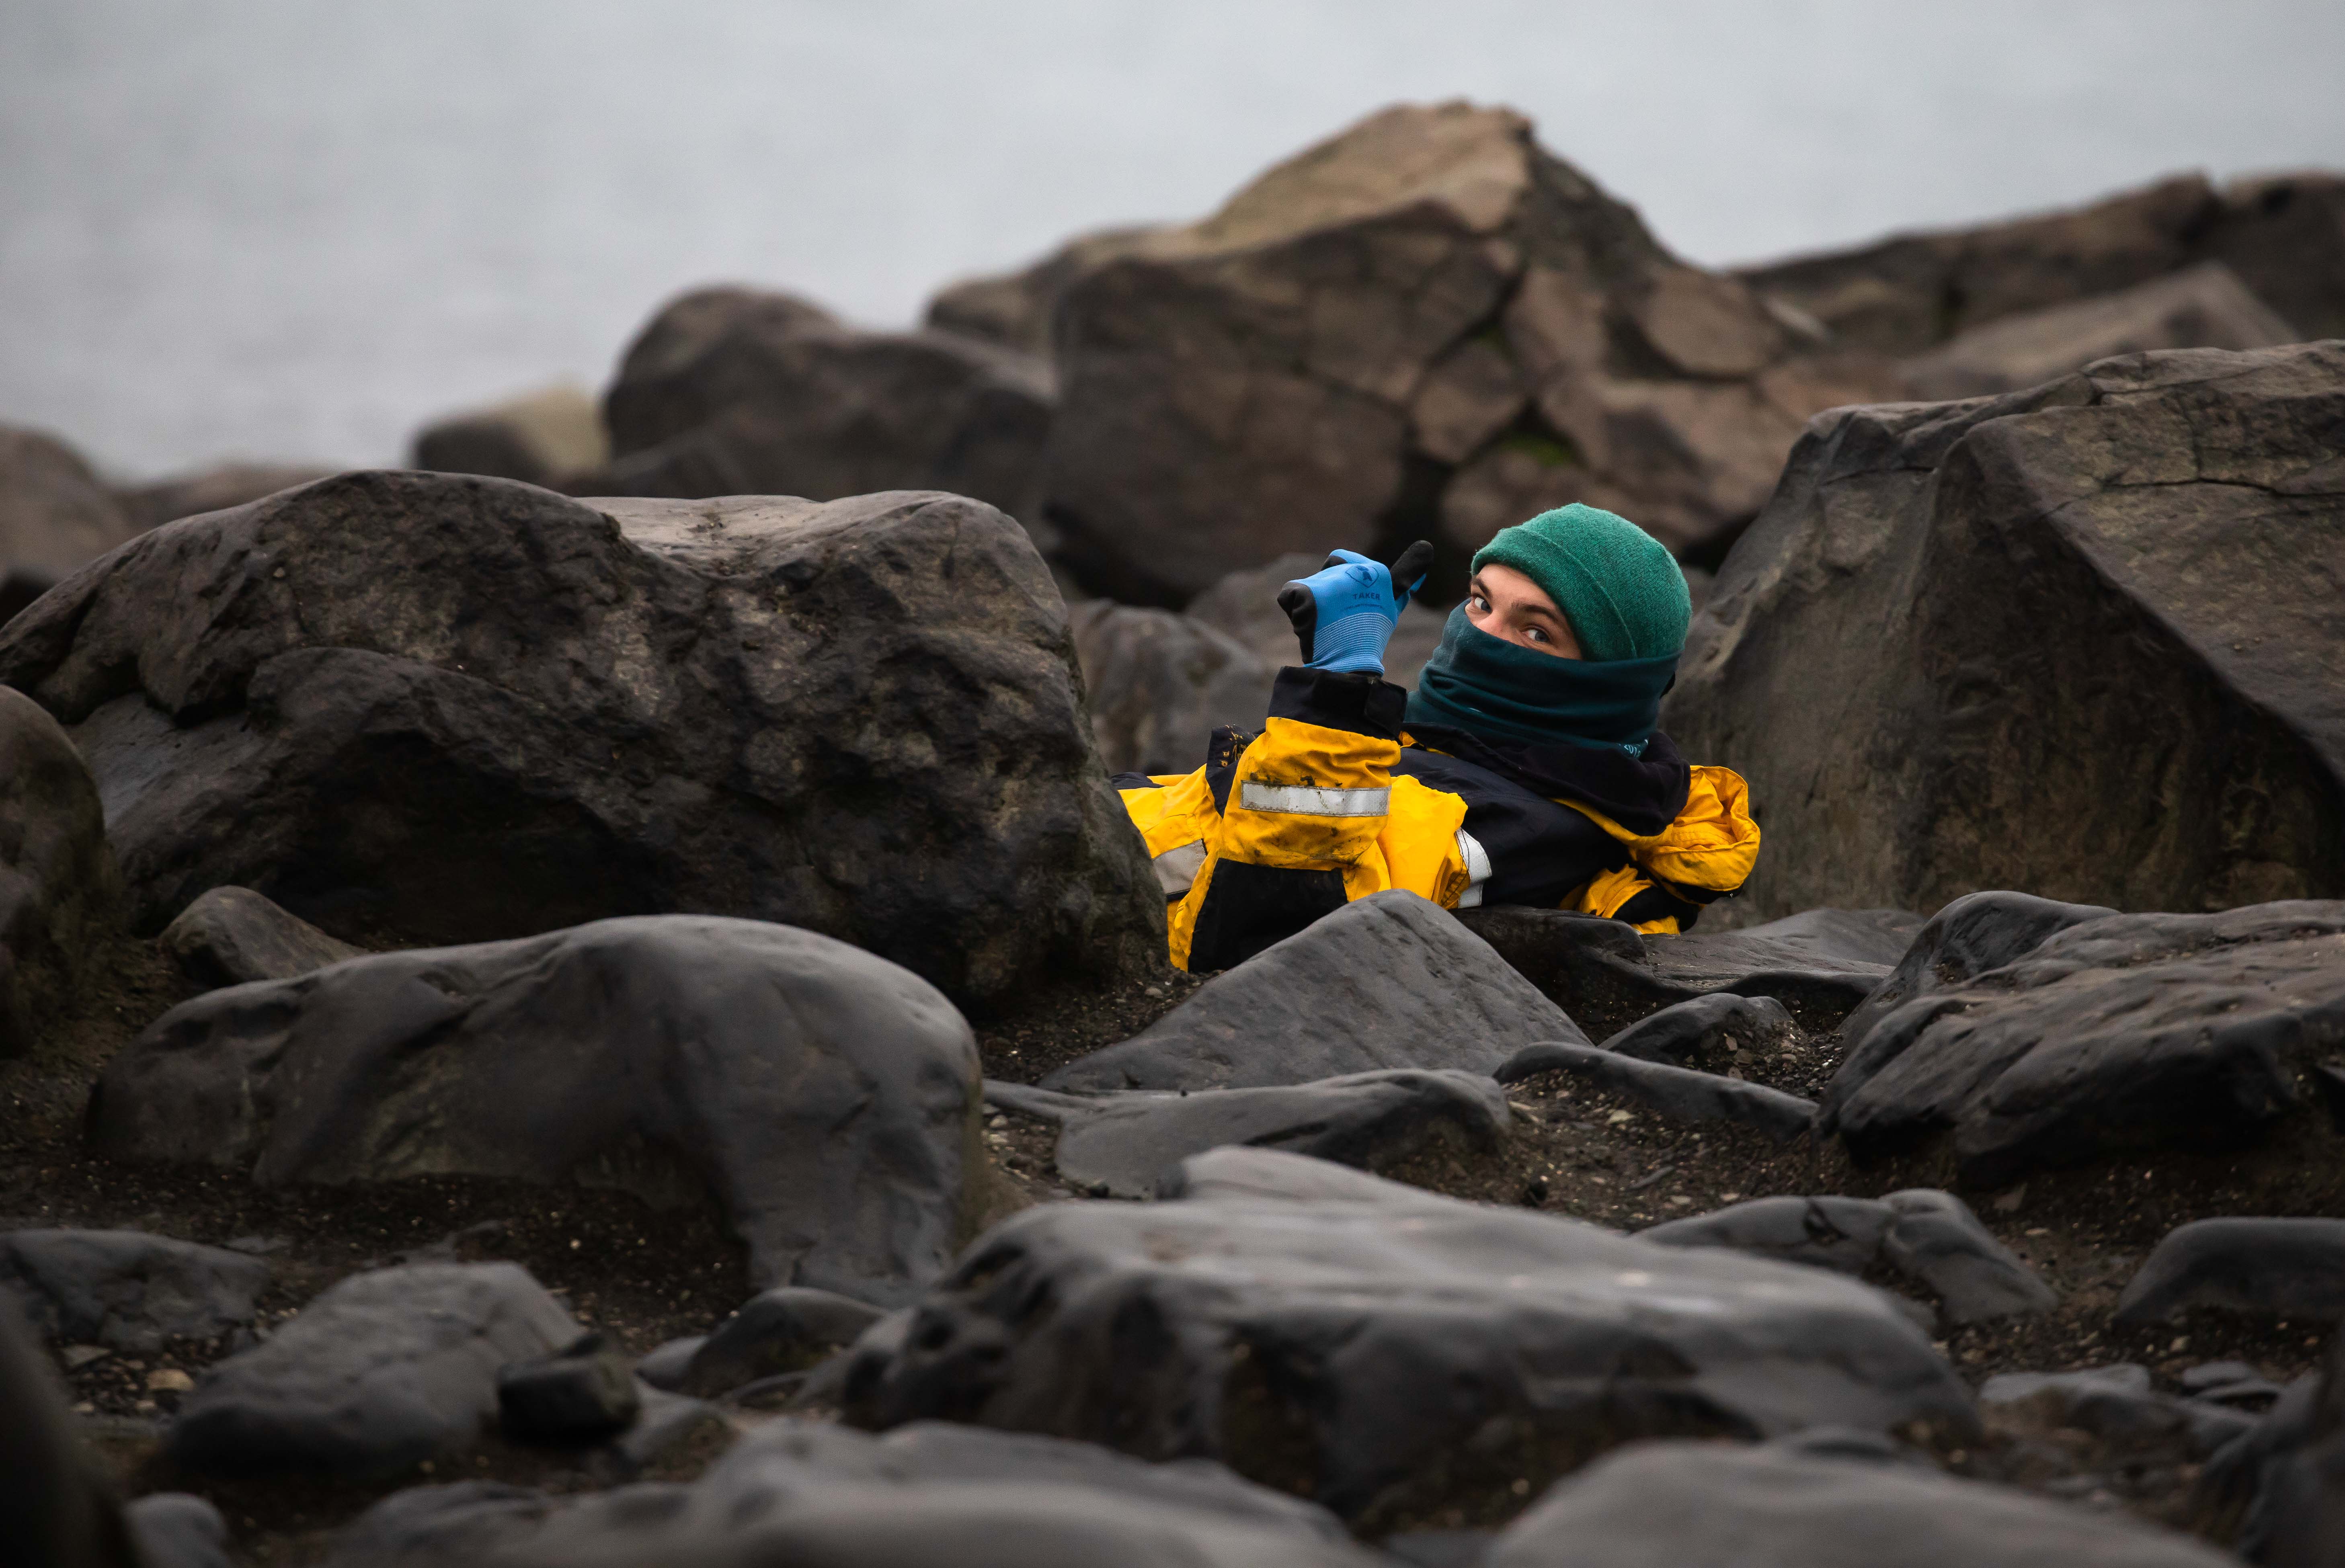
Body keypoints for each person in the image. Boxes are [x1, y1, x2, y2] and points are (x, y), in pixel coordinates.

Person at [1112, 503, 1760, 972]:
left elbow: (1273, 932)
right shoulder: (1457, 749)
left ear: (1610, 683)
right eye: (1480, 601)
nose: (1480, 635)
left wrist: (1335, 702)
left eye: (1535, 631)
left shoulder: (1521, 821)